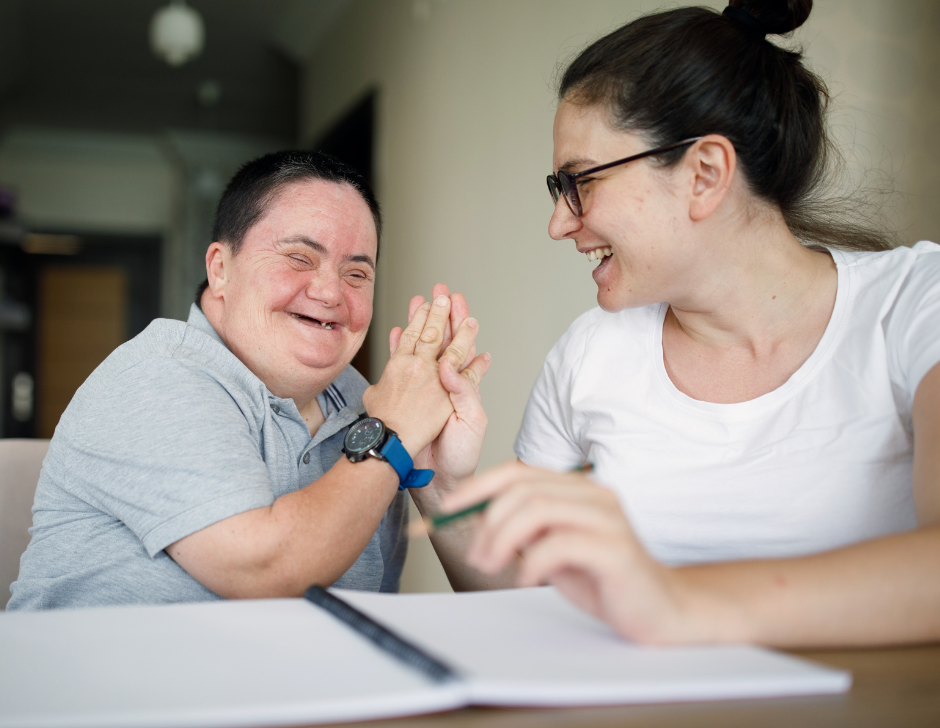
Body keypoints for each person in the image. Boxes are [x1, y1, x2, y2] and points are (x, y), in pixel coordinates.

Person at [437, 0, 940, 647]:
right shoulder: (590, 354)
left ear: (704, 175)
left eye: (580, 183)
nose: (559, 223)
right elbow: (523, 598)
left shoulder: (917, 304)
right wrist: (441, 482)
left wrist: (674, 602)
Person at [8, 151, 490, 610]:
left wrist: (437, 482)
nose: (329, 293)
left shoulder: (367, 405)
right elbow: (268, 571)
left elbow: (373, 619)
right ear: (220, 269)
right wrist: (392, 433)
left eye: (357, 273)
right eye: (300, 258)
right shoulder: (158, 375)